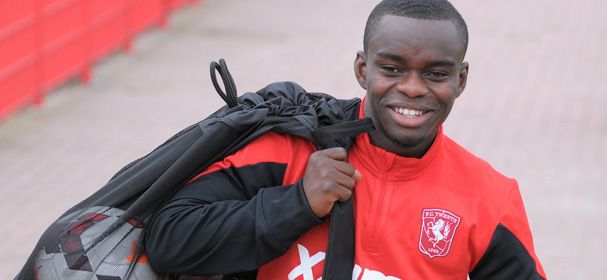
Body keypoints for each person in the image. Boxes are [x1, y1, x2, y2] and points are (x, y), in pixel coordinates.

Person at [145, 0, 547, 279]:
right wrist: (297, 203)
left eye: (436, 74)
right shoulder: (289, 149)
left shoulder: (489, 198)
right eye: (391, 68)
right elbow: (168, 240)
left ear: (460, 81)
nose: (411, 88)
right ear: (362, 69)